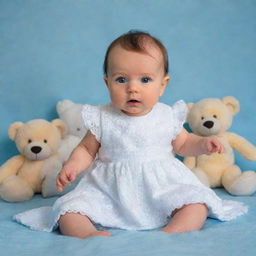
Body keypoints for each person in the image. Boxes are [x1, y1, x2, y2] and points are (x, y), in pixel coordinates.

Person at [14, 30, 247, 239]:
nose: (133, 88)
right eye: (121, 79)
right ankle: (88, 234)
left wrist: (203, 144)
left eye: (145, 79)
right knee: (69, 210)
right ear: (107, 83)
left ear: (163, 85)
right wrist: (73, 166)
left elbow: (184, 143)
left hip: (162, 186)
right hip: (108, 190)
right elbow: (86, 149)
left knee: (196, 204)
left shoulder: (166, 115)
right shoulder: (102, 117)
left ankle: (173, 232)